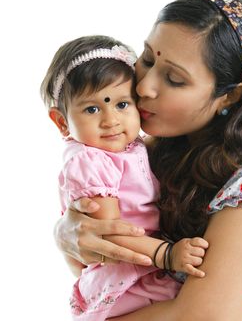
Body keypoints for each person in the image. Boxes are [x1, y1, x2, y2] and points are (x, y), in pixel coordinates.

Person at [53, 0, 242, 320]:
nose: (144, 86)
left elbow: (201, 316)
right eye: (147, 58)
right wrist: (65, 232)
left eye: (175, 79)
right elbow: (102, 271)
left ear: (230, 96)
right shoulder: (165, 140)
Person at [40, 35, 209, 320]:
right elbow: (111, 235)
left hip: (145, 264)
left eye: (122, 104)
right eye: (92, 109)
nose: (110, 120)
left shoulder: (132, 147)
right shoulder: (90, 161)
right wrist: (167, 254)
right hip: (128, 279)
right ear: (61, 121)